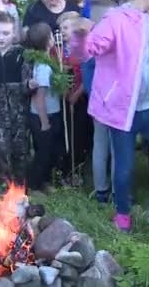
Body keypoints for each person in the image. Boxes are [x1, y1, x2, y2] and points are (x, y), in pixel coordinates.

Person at [71, 0, 149, 232]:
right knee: (124, 167)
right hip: (123, 108)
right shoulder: (115, 19)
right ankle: (122, 213)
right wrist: (80, 33)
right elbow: (85, 52)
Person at [80, 0, 125, 203]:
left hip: (118, 71)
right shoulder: (90, 4)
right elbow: (83, 42)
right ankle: (101, 190)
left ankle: (119, 190)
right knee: (100, 134)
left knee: (117, 136)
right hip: (95, 69)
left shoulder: (125, 4)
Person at [0, 13, 34, 182]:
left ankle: (21, 186)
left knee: (20, 149)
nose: (1, 37)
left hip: (19, 112)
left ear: (14, 33)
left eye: (5, 33)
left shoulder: (22, 55)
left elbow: (27, 85)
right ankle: (5, 185)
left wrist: (29, 85)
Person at [26, 22, 65, 193]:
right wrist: (44, 122)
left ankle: (46, 181)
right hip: (44, 115)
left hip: (50, 112)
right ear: (49, 41)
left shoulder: (45, 60)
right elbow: (39, 96)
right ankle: (33, 185)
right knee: (43, 152)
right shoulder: (43, 66)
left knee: (50, 151)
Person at [58, 11, 91, 186]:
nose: (63, 31)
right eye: (60, 28)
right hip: (64, 97)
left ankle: (77, 170)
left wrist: (76, 94)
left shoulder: (84, 49)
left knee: (79, 135)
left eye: (66, 27)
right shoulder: (59, 50)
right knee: (67, 136)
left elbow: (88, 76)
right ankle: (66, 171)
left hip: (80, 98)